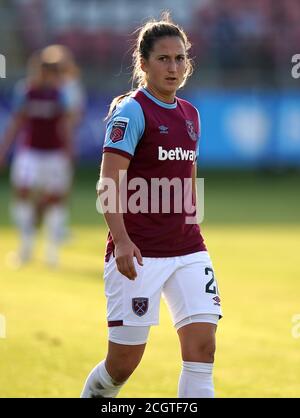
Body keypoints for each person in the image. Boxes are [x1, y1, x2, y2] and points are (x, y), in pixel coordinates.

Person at [81, 13, 222, 398]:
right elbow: (108, 182)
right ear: (143, 63)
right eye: (164, 59)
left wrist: (192, 225)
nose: (173, 67)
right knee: (123, 364)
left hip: (189, 250)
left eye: (180, 58)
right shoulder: (132, 112)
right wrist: (122, 241)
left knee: (203, 350)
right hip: (139, 253)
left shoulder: (190, 114)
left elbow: (188, 175)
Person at [0, 50, 73, 266]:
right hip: (30, 152)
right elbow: (16, 122)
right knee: (22, 193)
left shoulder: (60, 94)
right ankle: (26, 247)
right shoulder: (26, 92)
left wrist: (69, 151)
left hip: (54, 154)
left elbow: (66, 124)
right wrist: (4, 149)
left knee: (55, 199)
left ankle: (52, 251)